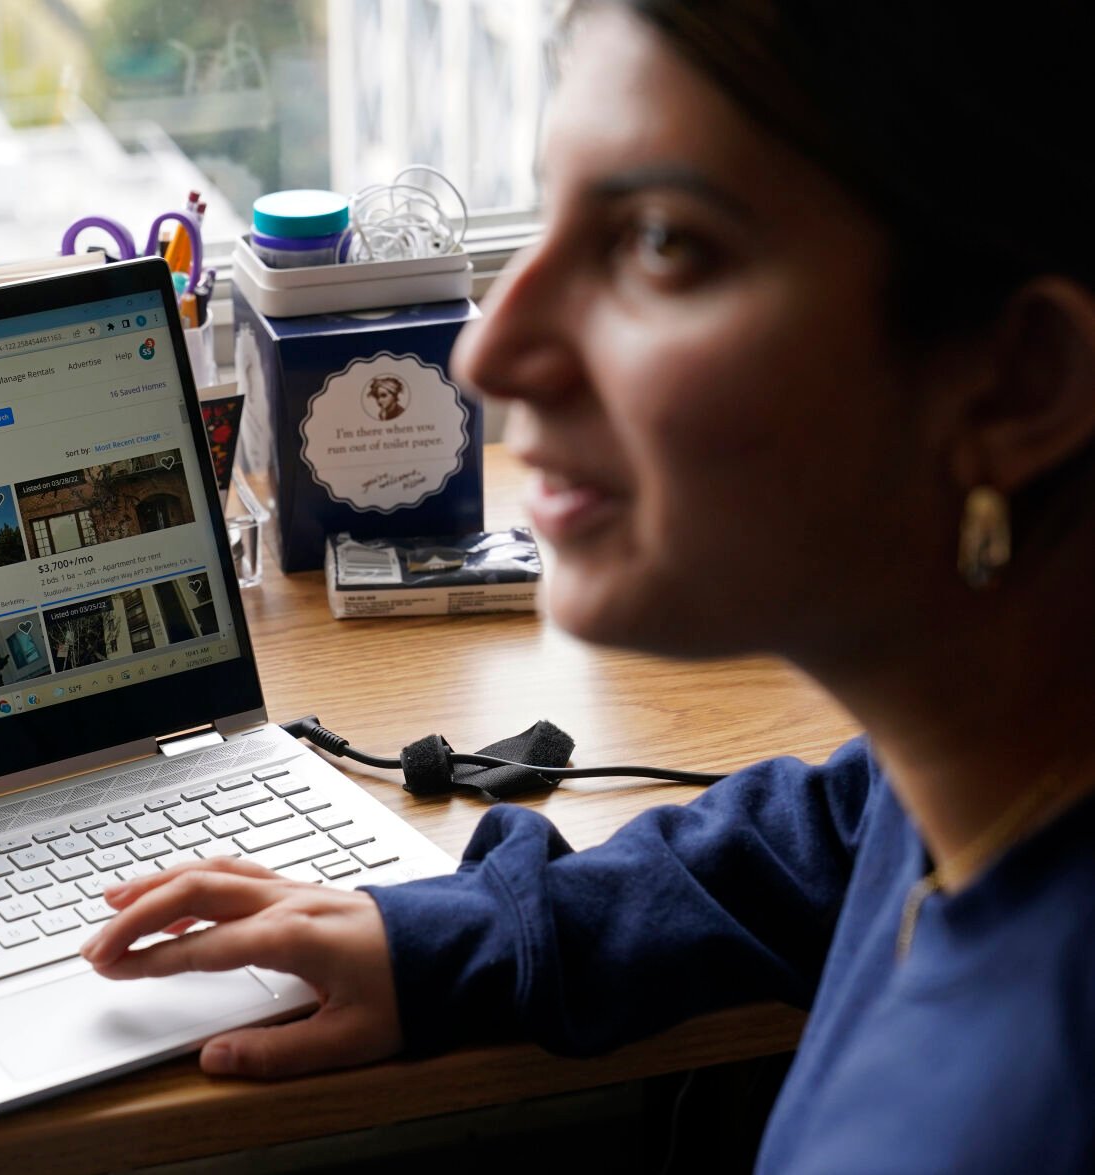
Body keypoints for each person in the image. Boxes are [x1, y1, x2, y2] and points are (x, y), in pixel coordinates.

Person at [80, 1, 1095, 1169]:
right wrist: (456, 935)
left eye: (660, 242)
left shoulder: (1010, 1117)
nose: (486, 353)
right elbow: (840, 830)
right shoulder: (994, 754)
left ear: (1019, 382)